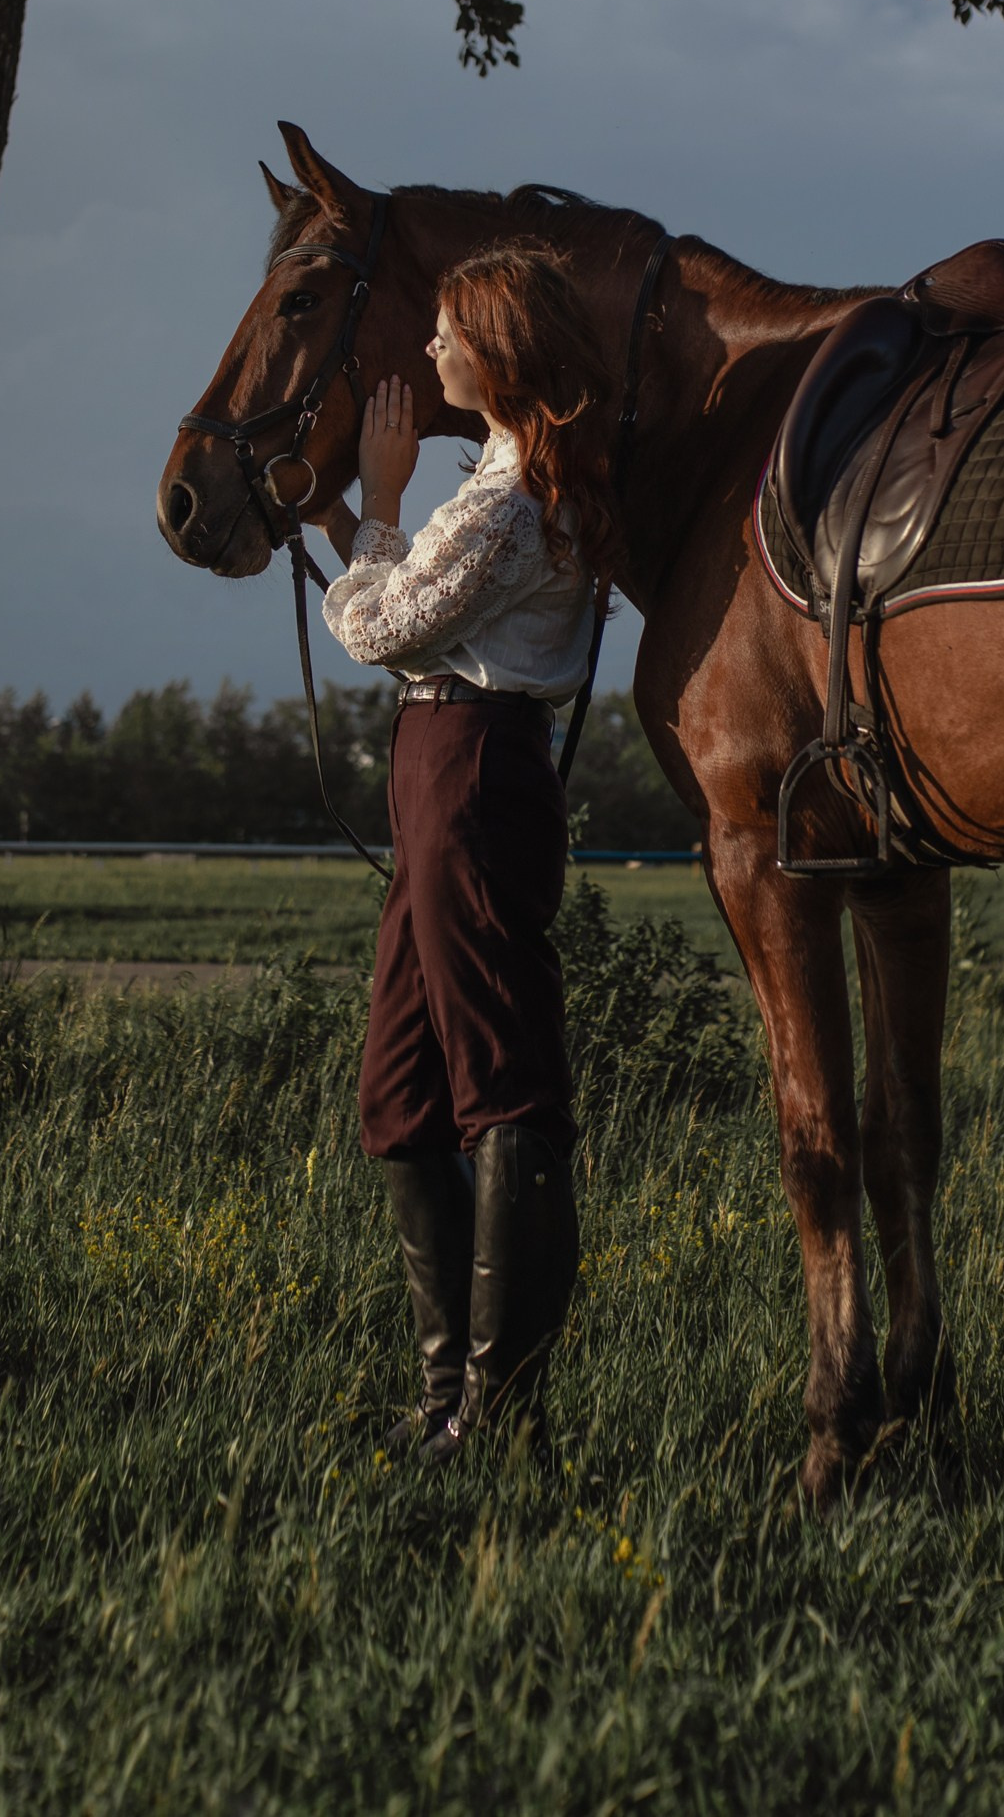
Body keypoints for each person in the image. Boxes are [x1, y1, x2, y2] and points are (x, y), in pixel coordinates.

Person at [318, 242, 615, 1466]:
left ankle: (498, 1421)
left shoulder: (509, 502)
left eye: (445, 330)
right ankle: (450, 1400)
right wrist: (345, 515)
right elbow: (399, 604)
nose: (428, 348)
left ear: (493, 349)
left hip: (473, 767)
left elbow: (384, 626)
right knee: (400, 1091)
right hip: (443, 765)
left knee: (499, 1077)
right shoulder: (504, 484)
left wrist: (376, 502)